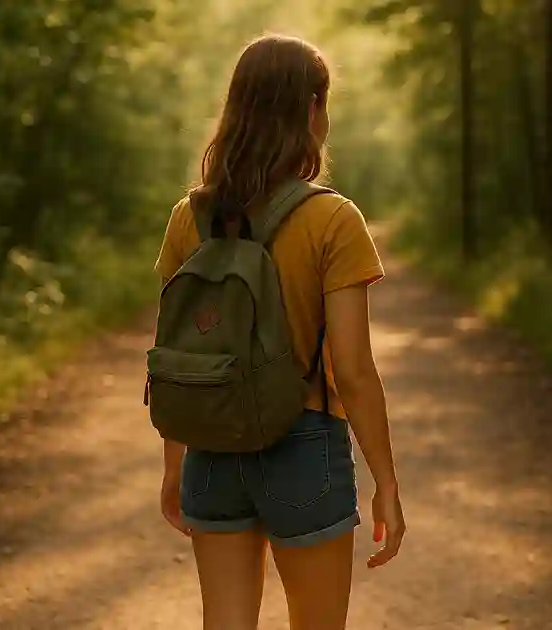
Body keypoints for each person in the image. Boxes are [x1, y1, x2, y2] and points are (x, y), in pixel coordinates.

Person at [152, 33, 405, 630]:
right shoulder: (333, 219)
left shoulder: (191, 217)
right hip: (304, 446)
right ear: (313, 110)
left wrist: (173, 467)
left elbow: (181, 352)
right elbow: (353, 370)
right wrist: (386, 481)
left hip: (210, 452)